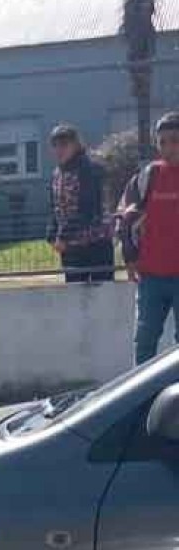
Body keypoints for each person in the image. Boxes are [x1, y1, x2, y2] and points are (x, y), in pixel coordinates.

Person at [118, 112, 179, 365]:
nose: (168, 148)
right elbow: (126, 218)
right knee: (144, 345)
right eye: (162, 142)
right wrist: (130, 258)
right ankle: (142, 404)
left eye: (175, 140)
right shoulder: (147, 177)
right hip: (151, 278)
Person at [47, 124, 114, 284]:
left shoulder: (88, 169)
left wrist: (63, 236)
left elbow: (87, 208)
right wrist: (51, 233)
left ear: (76, 145)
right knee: (75, 296)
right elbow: (55, 207)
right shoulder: (56, 174)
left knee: (102, 295)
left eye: (64, 144)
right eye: (55, 145)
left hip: (97, 244)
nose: (59, 150)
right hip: (72, 248)